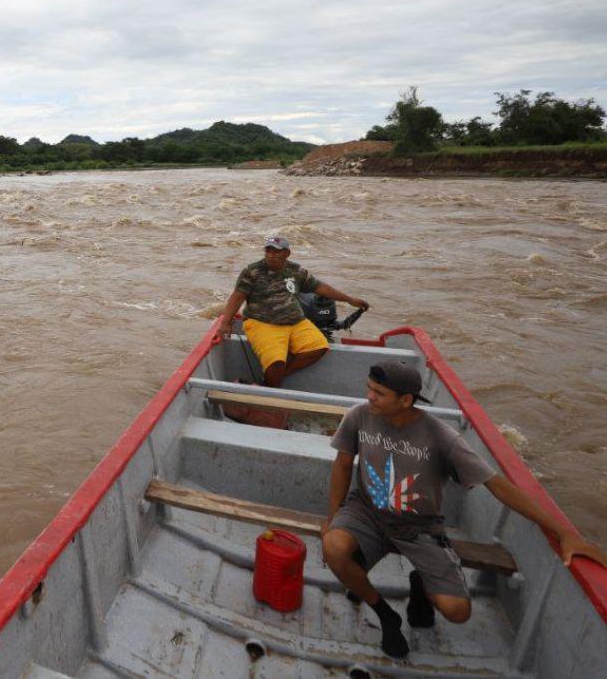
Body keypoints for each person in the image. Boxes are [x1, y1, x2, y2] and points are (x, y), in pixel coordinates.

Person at [322, 360, 607, 659]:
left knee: (457, 611)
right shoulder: (360, 416)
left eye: (379, 392)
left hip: (419, 527)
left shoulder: (441, 437)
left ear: (405, 400)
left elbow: (497, 485)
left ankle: (422, 584)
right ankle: (385, 615)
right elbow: (342, 465)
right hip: (367, 511)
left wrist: (563, 533)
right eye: (369, 389)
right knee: (333, 546)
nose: (369, 397)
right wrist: (333, 517)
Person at [213, 235, 368, 388]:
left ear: (287, 253)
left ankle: (274, 379)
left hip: (296, 321)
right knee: (275, 362)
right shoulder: (252, 271)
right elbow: (237, 297)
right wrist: (226, 323)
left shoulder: (296, 271)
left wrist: (349, 299)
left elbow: (320, 287)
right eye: (268, 250)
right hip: (263, 322)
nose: (272, 254)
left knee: (319, 346)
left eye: (277, 251)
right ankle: (272, 394)